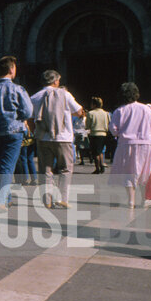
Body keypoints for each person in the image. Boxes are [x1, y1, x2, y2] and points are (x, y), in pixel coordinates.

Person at [0, 56, 33, 209]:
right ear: (11, 69)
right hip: (13, 131)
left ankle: (7, 198)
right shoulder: (17, 89)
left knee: (1, 167)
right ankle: (0, 200)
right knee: (8, 167)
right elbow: (28, 111)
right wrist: (19, 117)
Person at [30, 71, 86, 208]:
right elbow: (79, 111)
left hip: (43, 138)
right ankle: (62, 198)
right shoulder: (65, 95)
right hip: (64, 137)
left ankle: (47, 200)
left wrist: (35, 132)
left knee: (45, 170)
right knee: (65, 169)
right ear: (55, 81)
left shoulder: (35, 97)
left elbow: (30, 118)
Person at [109, 82, 151, 208]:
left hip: (126, 144)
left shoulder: (119, 110)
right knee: (146, 172)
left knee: (129, 172)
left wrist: (121, 133)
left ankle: (131, 201)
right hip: (146, 144)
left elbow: (113, 129)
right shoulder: (146, 109)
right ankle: (145, 199)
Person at [86, 96, 111, 174]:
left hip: (94, 133)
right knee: (100, 151)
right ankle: (102, 165)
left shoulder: (90, 113)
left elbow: (87, 125)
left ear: (94, 105)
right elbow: (109, 123)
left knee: (95, 152)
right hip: (104, 133)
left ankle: (97, 168)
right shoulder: (106, 113)